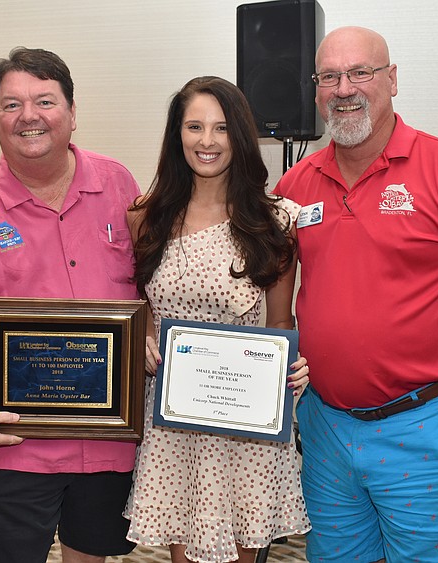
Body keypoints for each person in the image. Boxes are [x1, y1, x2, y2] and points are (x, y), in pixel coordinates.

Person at [274, 26, 438, 562]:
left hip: (429, 429)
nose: (344, 88)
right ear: (315, 90)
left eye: (360, 72)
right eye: (329, 76)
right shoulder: (296, 186)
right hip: (327, 431)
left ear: (391, 80)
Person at [0, 47, 140, 563]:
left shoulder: (119, 187)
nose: (28, 116)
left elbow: (150, 292)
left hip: (109, 442)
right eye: (11, 104)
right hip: (14, 449)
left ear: (71, 111)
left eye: (44, 100)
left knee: (91, 555)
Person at [123, 76, 311, 563]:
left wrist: (293, 368)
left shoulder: (275, 221)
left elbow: (279, 324)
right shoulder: (145, 216)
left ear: (240, 136)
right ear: (176, 134)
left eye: (221, 128)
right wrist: (143, 337)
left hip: (244, 422)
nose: (207, 141)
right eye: (194, 126)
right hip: (175, 421)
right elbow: (142, 306)